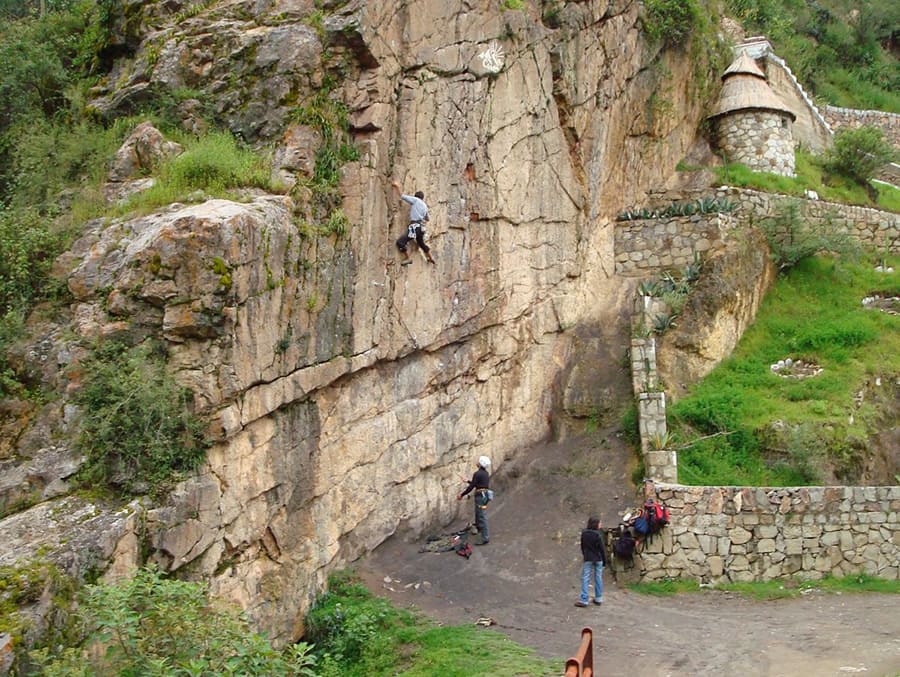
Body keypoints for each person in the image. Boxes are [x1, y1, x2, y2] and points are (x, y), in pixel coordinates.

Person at [392, 179, 435, 265]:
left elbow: (402, 196)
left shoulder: (415, 200)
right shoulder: (425, 206)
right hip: (421, 228)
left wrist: (397, 186)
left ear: (416, 197)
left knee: (400, 242)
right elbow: (427, 219)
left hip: (414, 226)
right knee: (421, 243)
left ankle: (407, 258)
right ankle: (430, 257)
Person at [457, 455, 491, 545]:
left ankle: (485, 538)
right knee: (479, 513)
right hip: (485, 495)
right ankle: (479, 528)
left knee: (481, 516)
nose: (477, 461)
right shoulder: (485, 473)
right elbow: (477, 483)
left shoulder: (477, 474)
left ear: (480, 464)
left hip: (480, 496)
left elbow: (472, 487)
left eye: (478, 461)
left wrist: (462, 494)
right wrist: (467, 480)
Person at [575, 516, 607, 607]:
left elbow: (582, 546)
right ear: (596, 524)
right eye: (599, 523)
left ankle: (584, 599)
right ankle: (598, 598)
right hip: (598, 558)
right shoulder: (597, 535)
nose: (601, 524)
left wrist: (584, 555)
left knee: (585, 578)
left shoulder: (584, 534)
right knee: (598, 578)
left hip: (588, 558)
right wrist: (604, 561)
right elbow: (602, 549)